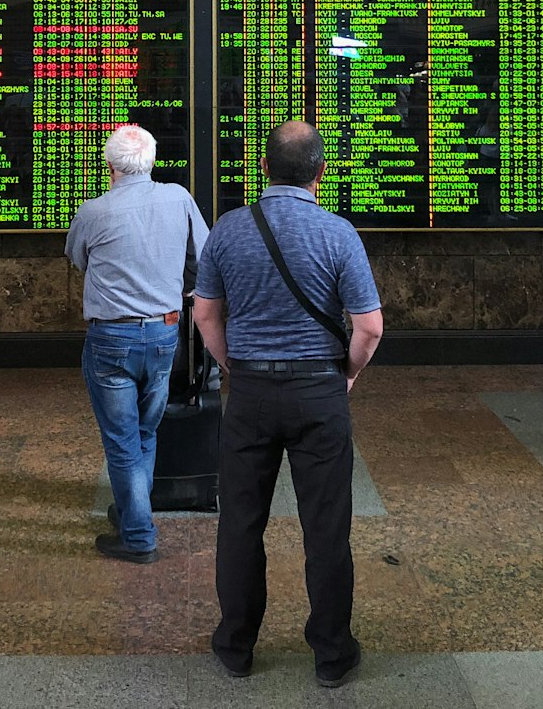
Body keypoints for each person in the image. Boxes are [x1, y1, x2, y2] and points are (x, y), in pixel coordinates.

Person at [193, 120, 383, 687]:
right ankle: (331, 655)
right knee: (326, 527)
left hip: (249, 394)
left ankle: (236, 646)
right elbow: (369, 327)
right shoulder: (338, 233)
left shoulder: (227, 231)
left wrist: (233, 366)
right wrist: (344, 375)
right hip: (318, 393)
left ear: (264, 170)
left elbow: (205, 315)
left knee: (241, 523)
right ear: (320, 175)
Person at [66, 124, 209, 564]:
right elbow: (201, 259)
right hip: (165, 334)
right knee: (145, 432)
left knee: (122, 441)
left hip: (112, 338)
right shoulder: (179, 198)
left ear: (109, 166)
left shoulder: (93, 211)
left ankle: (139, 536)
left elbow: (78, 259)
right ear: (151, 161)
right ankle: (133, 510)